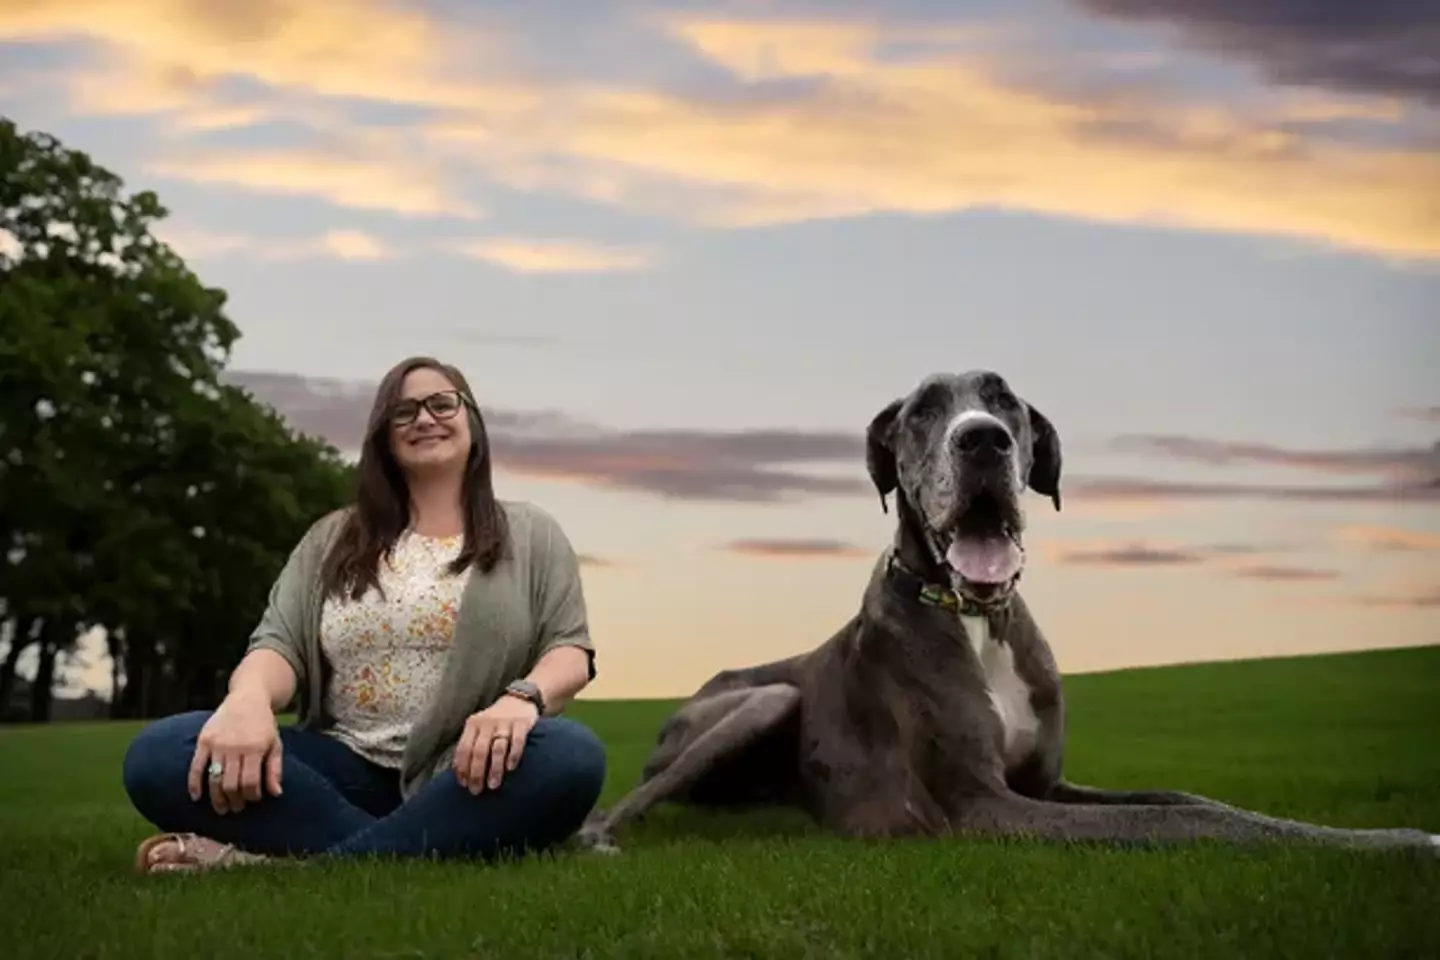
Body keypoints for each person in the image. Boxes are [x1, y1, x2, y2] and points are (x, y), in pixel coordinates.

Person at [121, 356, 607, 873]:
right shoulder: (331, 539)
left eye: (442, 403)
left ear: (473, 422)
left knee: (570, 755)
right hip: (337, 775)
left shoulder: (531, 532)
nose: (425, 419)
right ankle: (418, 846)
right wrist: (247, 701)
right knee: (161, 751)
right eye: (403, 412)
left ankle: (287, 864)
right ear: (383, 436)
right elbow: (277, 645)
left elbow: (569, 649)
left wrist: (521, 701)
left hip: (472, 773)